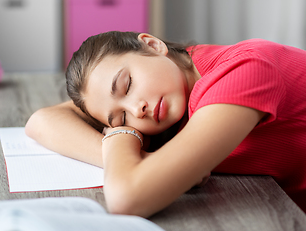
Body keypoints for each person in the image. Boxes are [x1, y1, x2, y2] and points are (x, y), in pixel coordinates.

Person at [25, 31, 306, 218]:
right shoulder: (175, 82)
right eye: (121, 117)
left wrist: (121, 137)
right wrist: (146, 160)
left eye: (127, 84)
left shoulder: (245, 69)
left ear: (152, 45)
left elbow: (127, 199)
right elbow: (41, 121)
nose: (137, 109)